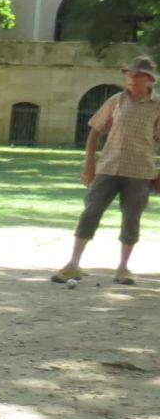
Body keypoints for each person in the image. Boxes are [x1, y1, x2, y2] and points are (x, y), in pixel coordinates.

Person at [51, 56, 160, 286]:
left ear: (149, 79)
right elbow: (94, 131)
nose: (130, 78)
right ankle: (73, 264)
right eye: (128, 73)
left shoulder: (157, 107)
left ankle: (123, 268)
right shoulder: (116, 101)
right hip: (108, 168)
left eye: (136, 74)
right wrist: (90, 164)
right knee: (90, 212)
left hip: (140, 171)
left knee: (132, 218)